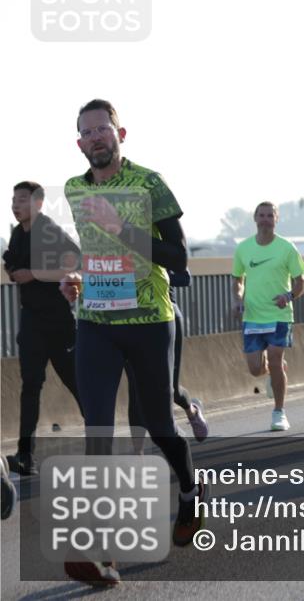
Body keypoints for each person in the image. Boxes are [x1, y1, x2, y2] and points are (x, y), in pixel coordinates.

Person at [59, 99, 205, 586]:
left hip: (148, 321)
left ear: (122, 134)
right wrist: (78, 278)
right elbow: (96, 253)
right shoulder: (74, 189)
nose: (97, 137)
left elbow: (178, 258)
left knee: (159, 425)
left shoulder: (148, 183)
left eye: (104, 129)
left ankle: (189, 490)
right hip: (96, 322)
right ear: (79, 142)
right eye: (88, 132)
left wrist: (122, 227)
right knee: (97, 429)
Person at [4, 182, 83, 476]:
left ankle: (102, 446)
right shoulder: (17, 233)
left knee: (78, 384)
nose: (16, 204)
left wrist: (34, 274)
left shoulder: (48, 230)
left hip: (58, 323)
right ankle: (26, 456)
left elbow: (77, 260)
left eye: (22, 199)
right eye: (14, 199)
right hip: (32, 322)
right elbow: (13, 265)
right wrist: (13, 271)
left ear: (37, 204)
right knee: (30, 386)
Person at [232, 202, 304, 431]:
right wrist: (238, 299)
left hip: (279, 315)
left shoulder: (287, 248)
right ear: (255, 218)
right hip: (253, 317)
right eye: (261, 215)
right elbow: (237, 280)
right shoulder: (243, 248)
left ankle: (279, 412)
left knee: (274, 357)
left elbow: (301, 281)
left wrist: (289, 295)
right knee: (255, 368)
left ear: (276, 219)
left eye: (270, 216)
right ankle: (276, 370)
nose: (265, 219)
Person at [126, 269, 208, 450]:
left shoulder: (161, 243)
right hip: (128, 321)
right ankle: (137, 453)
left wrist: (150, 275)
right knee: (135, 389)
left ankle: (191, 410)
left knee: (170, 388)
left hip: (165, 318)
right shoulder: (117, 247)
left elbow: (185, 277)